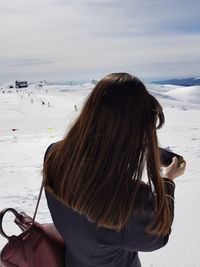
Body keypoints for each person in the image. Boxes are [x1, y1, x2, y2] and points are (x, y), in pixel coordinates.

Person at [42, 73, 186, 267]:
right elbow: (158, 236)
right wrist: (168, 181)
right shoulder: (127, 201)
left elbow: (100, 145)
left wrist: (146, 150)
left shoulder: (54, 155)